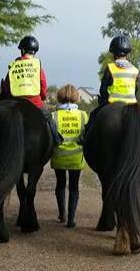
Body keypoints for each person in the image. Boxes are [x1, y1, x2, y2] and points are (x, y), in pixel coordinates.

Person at [0, 35, 62, 144]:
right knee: (49, 119)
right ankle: (57, 140)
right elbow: (43, 85)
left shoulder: (14, 65)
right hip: (35, 102)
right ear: (34, 52)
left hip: (15, 102)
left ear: (22, 50)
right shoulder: (37, 65)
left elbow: (7, 86)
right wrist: (42, 97)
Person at [84, 35, 139, 134]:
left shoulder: (110, 68)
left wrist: (103, 101)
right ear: (128, 54)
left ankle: (83, 138)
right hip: (132, 105)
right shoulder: (135, 70)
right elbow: (136, 90)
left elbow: (103, 89)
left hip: (112, 103)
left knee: (93, 115)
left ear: (113, 53)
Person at [50, 84, 88, 228]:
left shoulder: (54, 116)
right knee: (74, 187)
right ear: (75, 97)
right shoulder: (83, 115)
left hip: (59, 156)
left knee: (60, 184)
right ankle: (71, 219)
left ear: (60, 96)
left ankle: (62, 215)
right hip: (76, 157)